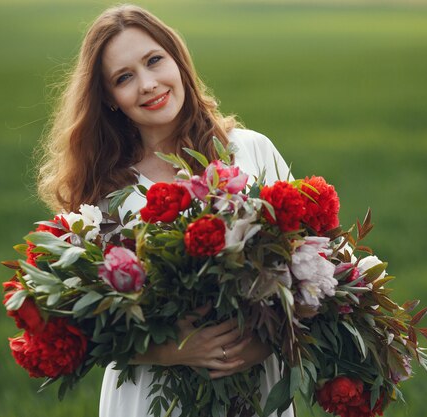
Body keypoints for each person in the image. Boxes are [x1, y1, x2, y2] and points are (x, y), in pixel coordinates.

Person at [36, 4, 295, 417]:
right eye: (124, 78)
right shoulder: (103, 193)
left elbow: (311, 268)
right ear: (110, 100)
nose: (148, 84)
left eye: (154, 60)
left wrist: (263, 342)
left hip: (257, 390)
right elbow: (85, 323)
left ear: (177, 59)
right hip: (151, 399)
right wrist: (170, 350)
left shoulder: (251, 150)